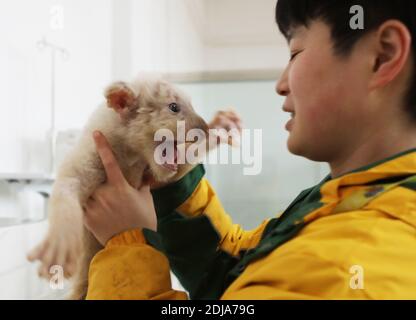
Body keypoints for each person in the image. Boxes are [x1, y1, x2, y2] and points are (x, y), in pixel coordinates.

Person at [83, 0, 416, 299]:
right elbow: (237, 268)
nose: (280, 83)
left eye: (295, 53)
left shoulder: (347, 268)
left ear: (382, 56)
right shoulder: (350, 200)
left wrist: (127, 247)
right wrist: (174, 187)